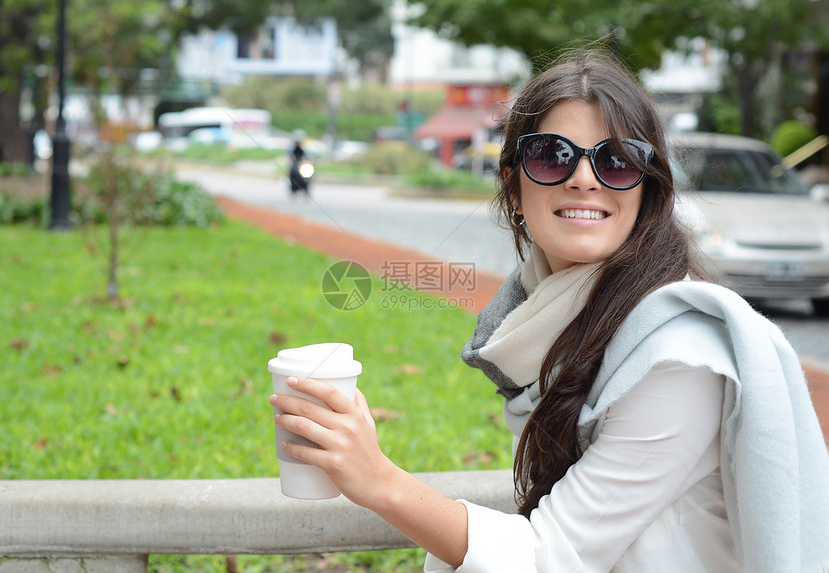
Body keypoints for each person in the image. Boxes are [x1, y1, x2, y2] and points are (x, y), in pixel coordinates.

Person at [270, 49, 829, 572]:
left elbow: (551, 555)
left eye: (617, 160)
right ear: (514, 187)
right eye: (551, 155)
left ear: (648, 190)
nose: (584, 177)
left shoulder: (678, 360)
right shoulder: (552, 321)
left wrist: (379, 480)